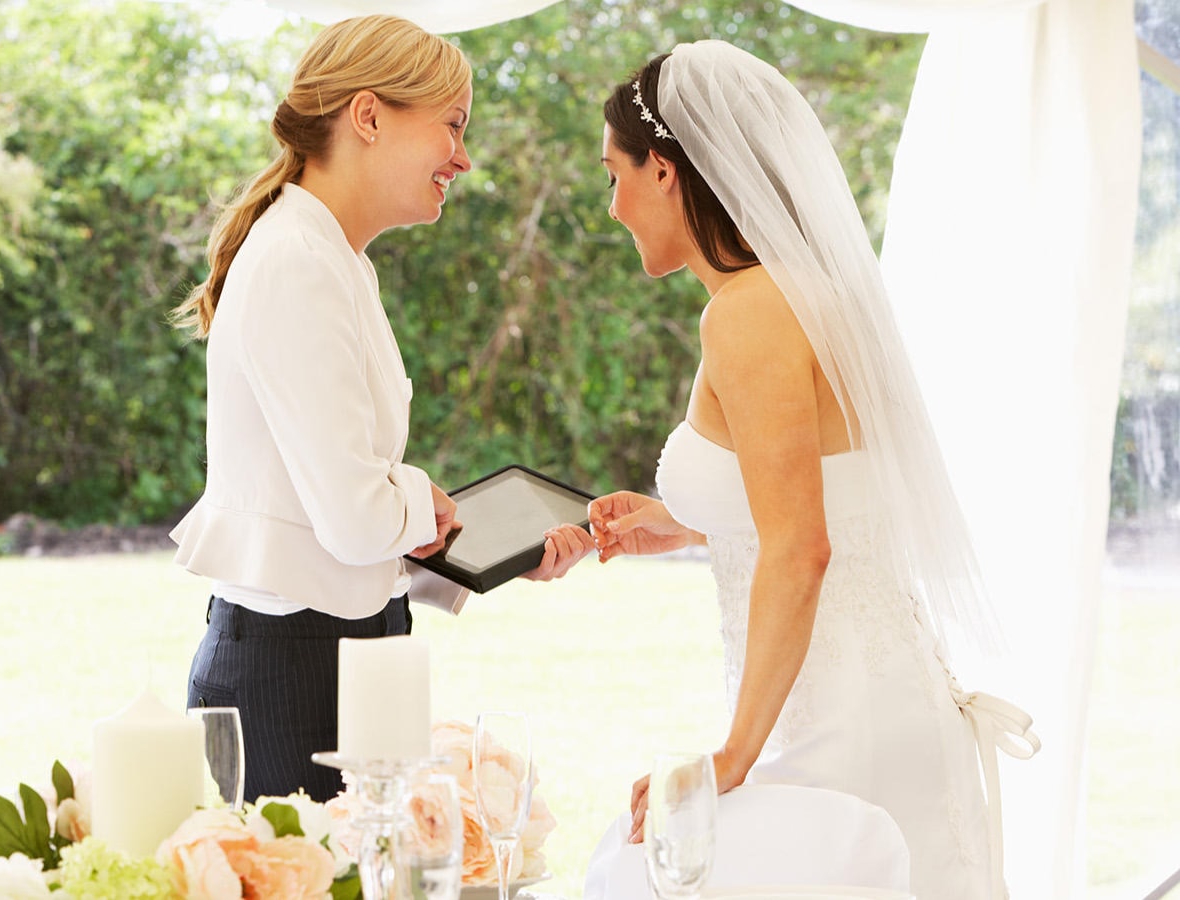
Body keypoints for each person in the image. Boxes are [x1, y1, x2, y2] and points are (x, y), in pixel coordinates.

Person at [567, 41, 1038, 899]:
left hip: (834, 730)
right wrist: (683, 523)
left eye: (614, 176)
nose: (613, 207)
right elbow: (832, 494)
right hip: (879, 702)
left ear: (666, 172)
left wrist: (731, 758)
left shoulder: (747, 314)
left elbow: (802, 549)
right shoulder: (814, 291)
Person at [168, 14, 590, 805]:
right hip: (291, 680)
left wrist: (483, 550)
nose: (463, 159)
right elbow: (355, 518)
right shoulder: (298, 260)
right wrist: (417, 497)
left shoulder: (334, 257)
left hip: (334, 658)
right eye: (453, 127)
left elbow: (336, 521)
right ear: (368, 116)